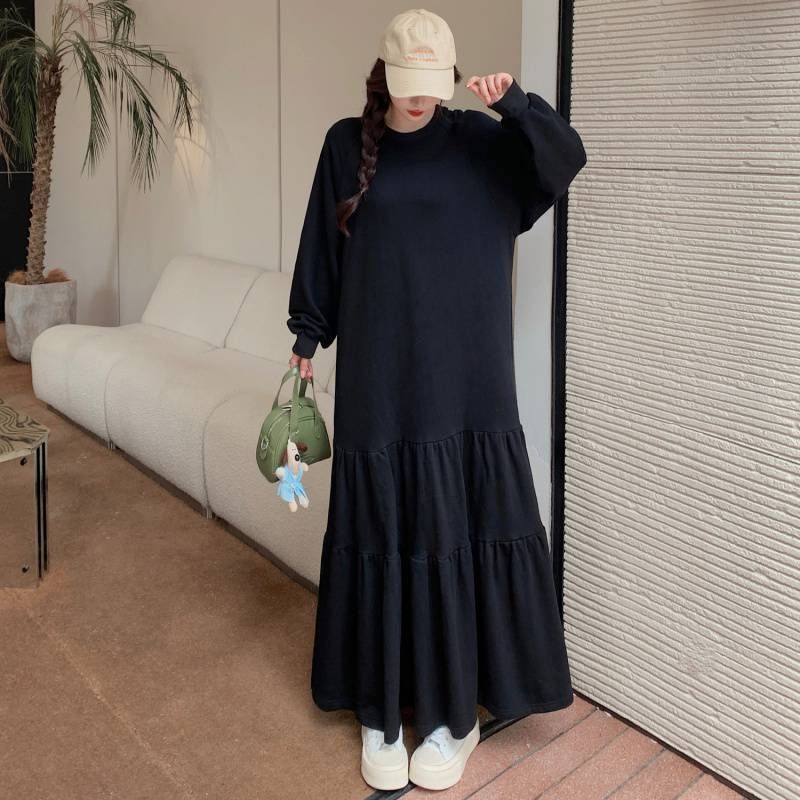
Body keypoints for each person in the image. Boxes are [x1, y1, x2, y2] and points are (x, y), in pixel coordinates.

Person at [285, 7, 587, 792]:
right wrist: (305, 344)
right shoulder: (345, 147)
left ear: (451, 78)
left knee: (457, 530)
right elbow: (321, 256)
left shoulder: (484, 144)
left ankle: (457, 718)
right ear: (383, 75)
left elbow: (566, 160)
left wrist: (517, 104)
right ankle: (381, 710)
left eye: (432, 84)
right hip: (379, 384)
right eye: (406, 83)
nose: (419, 98)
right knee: (383, 532)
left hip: (468, 390)